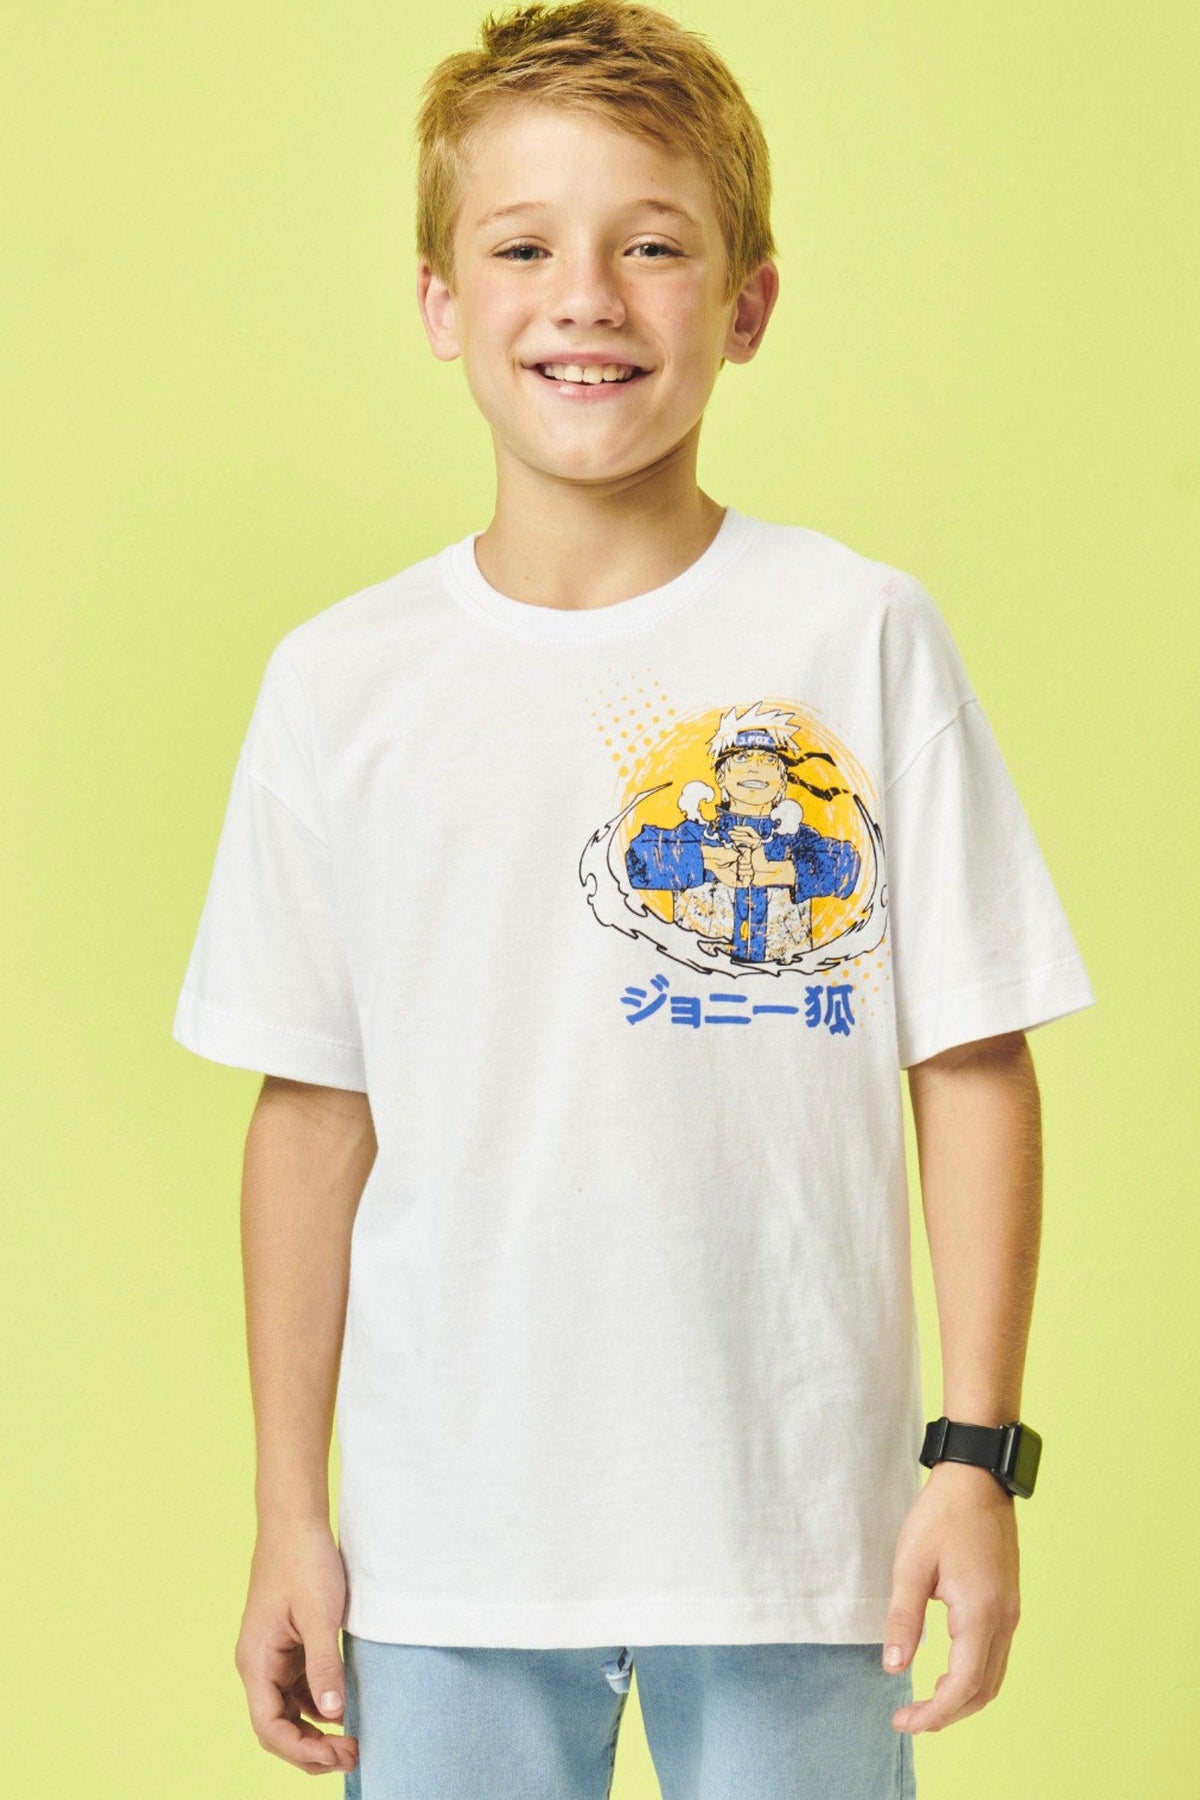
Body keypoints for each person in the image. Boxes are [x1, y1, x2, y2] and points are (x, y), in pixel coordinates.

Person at [170, 3, 1097, 1794]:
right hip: (449, 1547)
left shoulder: (857, 635)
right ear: (440, 300)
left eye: (653, 246)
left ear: (747, 303)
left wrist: (974, 1460)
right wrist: (290, 1513)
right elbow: (312, 1113)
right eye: (522, 247)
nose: (585, 297)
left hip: (801, 1543)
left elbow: (972, 1058)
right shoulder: (341, 683)